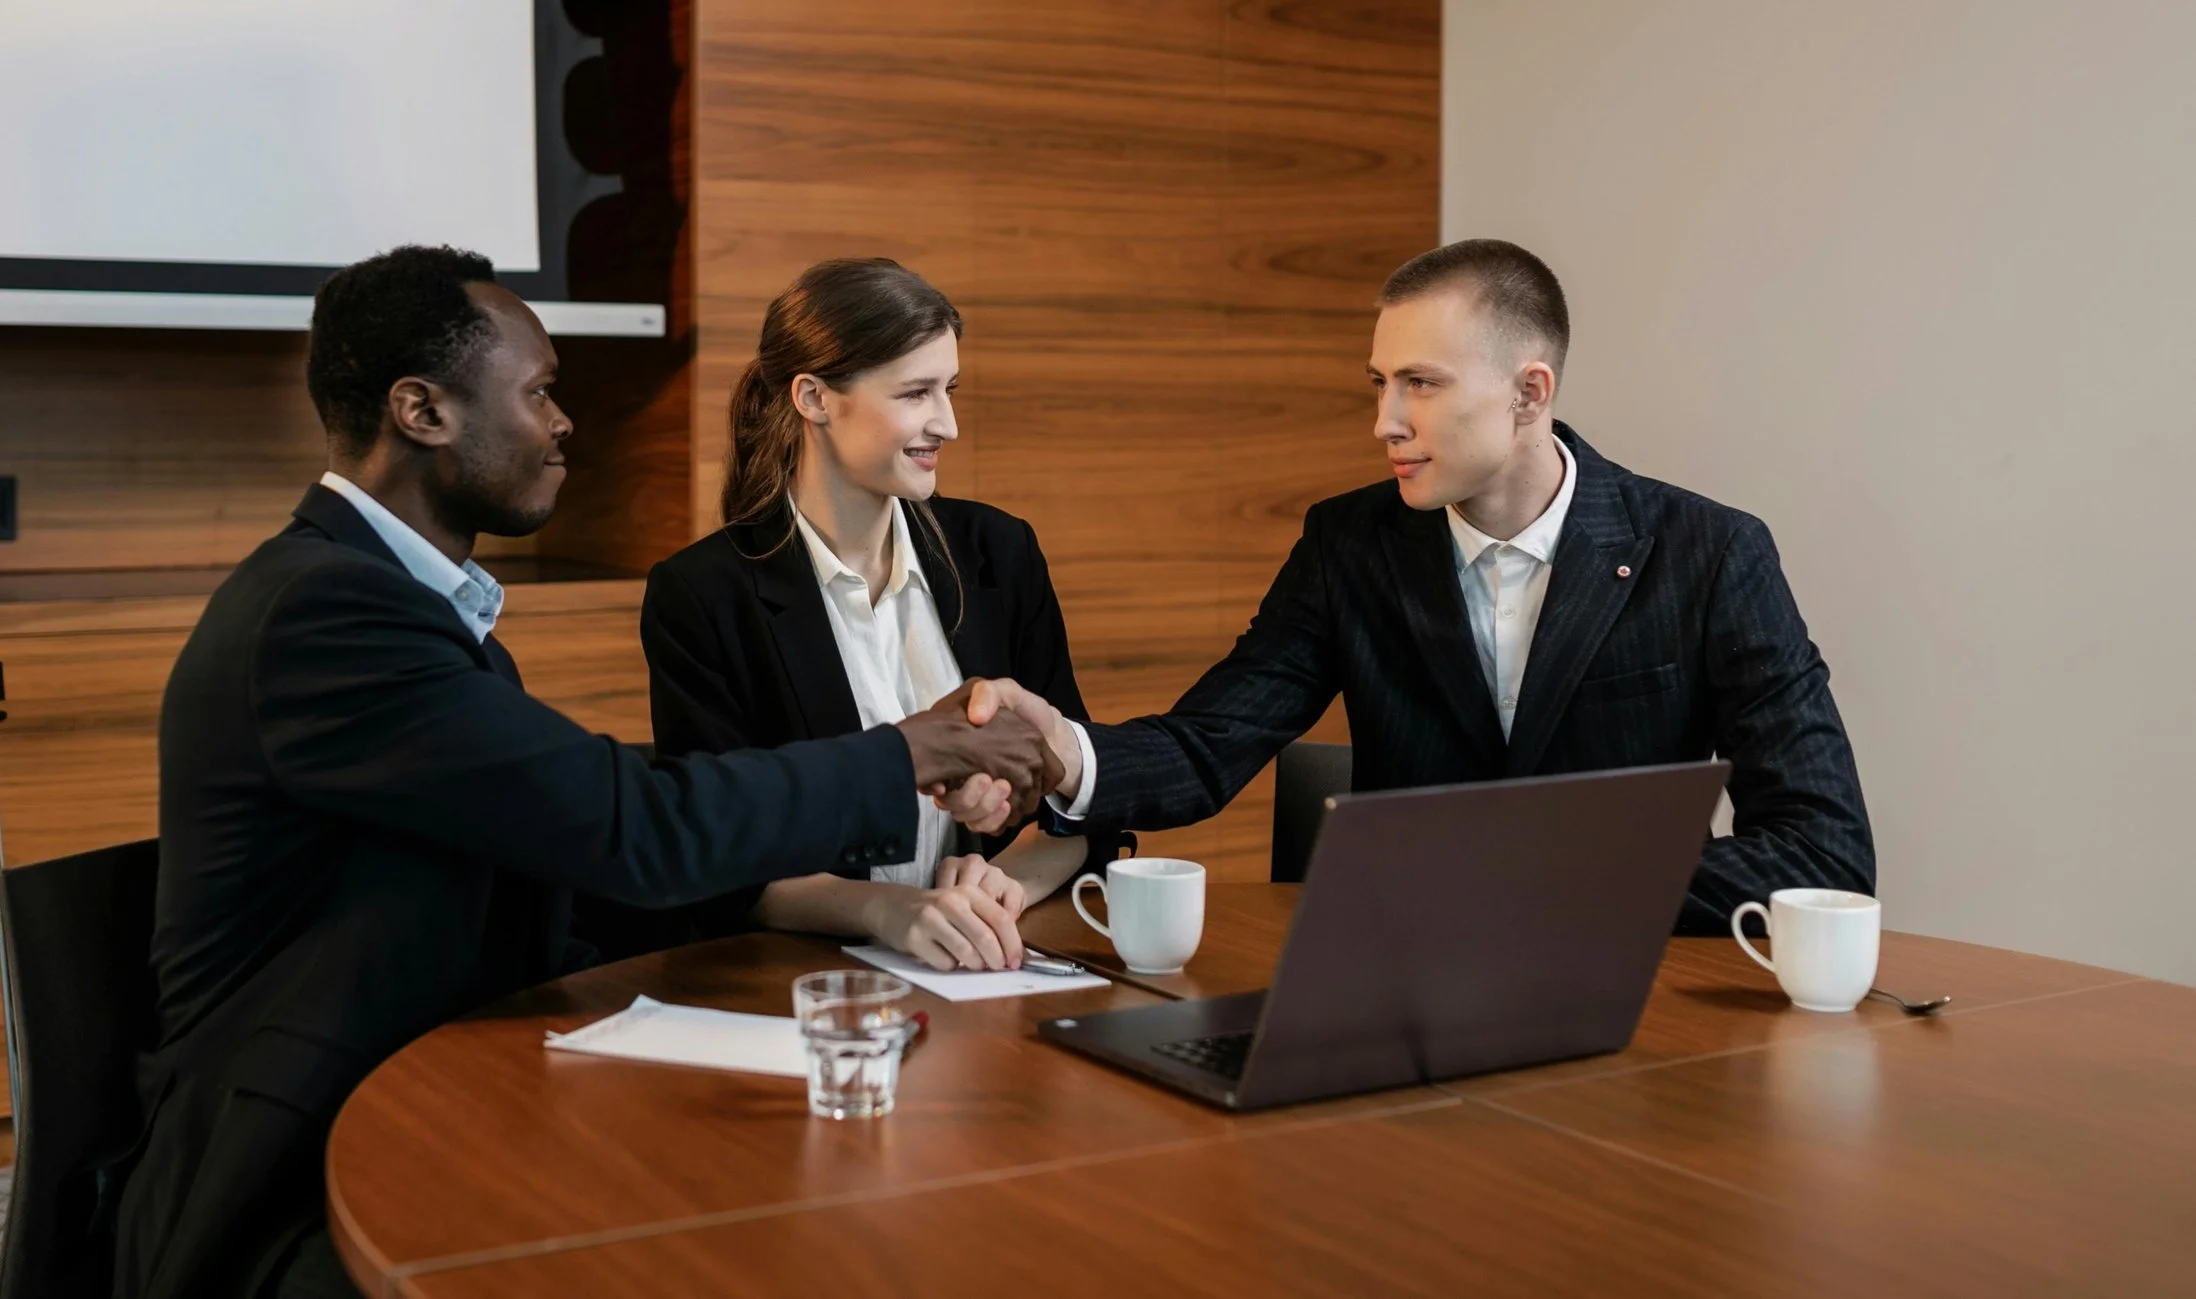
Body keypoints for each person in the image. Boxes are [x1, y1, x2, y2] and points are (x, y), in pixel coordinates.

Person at [110, 246, 1057, 1299]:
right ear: (421, 410)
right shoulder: (326, 615)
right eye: (539, 391)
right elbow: (626, 829)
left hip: (432, 1076)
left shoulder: (404, 603)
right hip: (299, 1168)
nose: (564, 423)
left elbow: (574, 825)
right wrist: (912, 754)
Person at [965, 239, 1876, 930]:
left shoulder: (1712, 553)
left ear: (1530, 392)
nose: (1385, 421)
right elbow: (1211, 744)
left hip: (1648, 1009)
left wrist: (1546, 884)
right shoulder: (1350, 542)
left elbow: (1821, 852)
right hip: (1404, 994)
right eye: (1380, 382)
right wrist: (1066, 753)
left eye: (1422, 384)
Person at [638, 258, 1094, 972]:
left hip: (992, 972)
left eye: (949, 389)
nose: (946, 422)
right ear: (815, 398)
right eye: (915, 393)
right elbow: (718, 856)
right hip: (806, 985)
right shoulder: (701, 594)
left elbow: (1084, 794)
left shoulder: (1001, 552)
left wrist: (1009, 883)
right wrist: (889, 910)